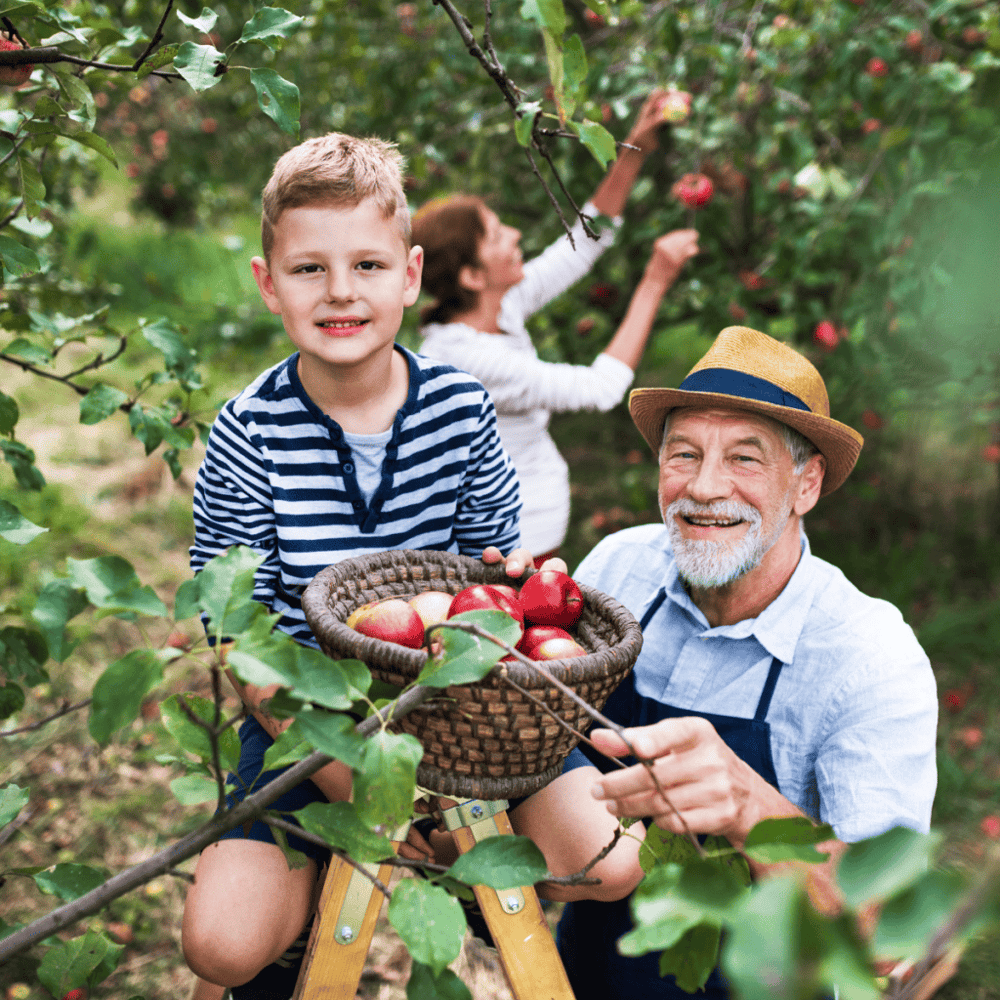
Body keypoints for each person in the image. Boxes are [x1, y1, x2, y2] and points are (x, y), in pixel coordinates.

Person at [182, 132, 535, 999]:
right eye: (309, 270)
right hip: (302, 726)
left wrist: (439, 779)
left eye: (368, 266)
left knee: (598, 865)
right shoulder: (247, 432)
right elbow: (242, 640)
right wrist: (374, 801)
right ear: (269, 285)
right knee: (221, 947)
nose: (341, 291)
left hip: (453, 714)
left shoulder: (459, 411)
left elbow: (491, 594)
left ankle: (481, 894)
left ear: (410, 277)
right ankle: (296, 910)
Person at [512, 325, 939, 999]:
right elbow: (543, 768)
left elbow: (885, 936)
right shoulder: (620, 570)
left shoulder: (869, 658)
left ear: (806, 485)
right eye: (684, 454)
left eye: (744, 459)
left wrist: (747, 805)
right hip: (582, 977)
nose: (705, 487)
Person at [413, 92, 700, 562]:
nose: (516, 235)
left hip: (527, 527)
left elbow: (585, 242)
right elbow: (600, 388)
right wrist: (654, 282)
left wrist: (634, 145)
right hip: (512, 545)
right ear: (471, 276)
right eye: (496, 234)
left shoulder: (496, 308)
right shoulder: (465, 361)